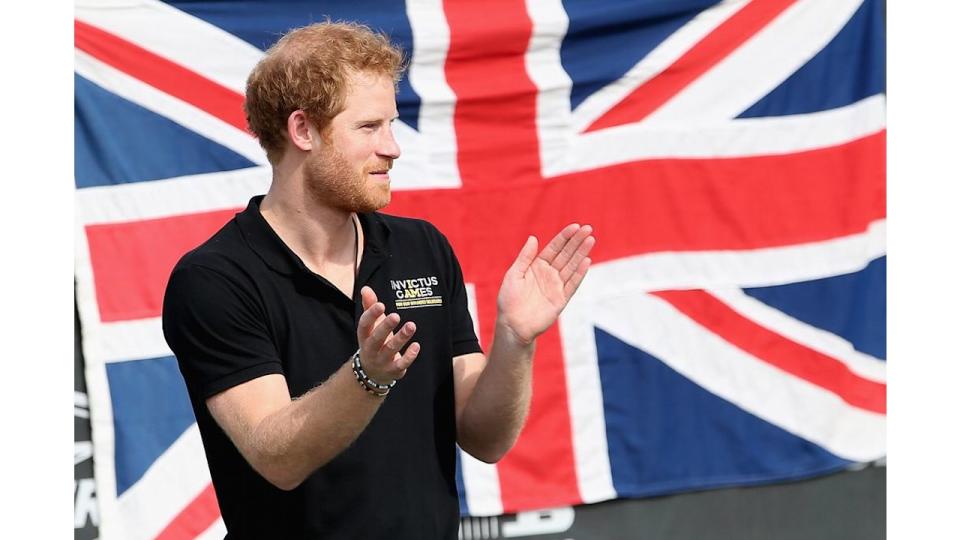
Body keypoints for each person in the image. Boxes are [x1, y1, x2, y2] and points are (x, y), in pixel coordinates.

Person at [162, 21, 595, 539]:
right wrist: (368, 376)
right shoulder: (214, 280)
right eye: (369, 128)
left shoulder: (422, 248)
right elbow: (276, 455)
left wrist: (515, 341)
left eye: (391, 124)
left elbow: (486, 439)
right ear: (303, 131)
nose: (393, 147)